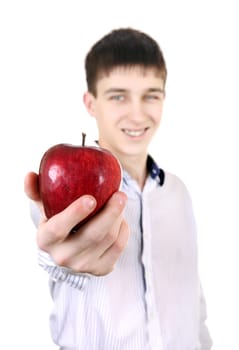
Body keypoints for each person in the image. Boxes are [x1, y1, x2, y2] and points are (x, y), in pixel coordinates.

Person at [24, 28, 212, 349]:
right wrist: (59, 259)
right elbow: (55, 251)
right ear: (91, 103)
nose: (137, 114)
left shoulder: (178, 193)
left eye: (151, 95)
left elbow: (191, 296)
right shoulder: (59, 191)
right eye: (118, 96)